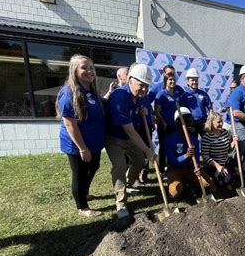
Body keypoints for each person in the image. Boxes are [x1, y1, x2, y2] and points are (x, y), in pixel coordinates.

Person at [105, 64, 157, 220]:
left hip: (129, 138)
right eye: (141, 85)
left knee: (140, 162)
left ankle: (126, 185)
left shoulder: (141, 96)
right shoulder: (119, 96)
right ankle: (121, 204)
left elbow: (141, 115)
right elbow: (130, 130)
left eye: (147, 86)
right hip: (114, 138)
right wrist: (148, 150)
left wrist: (144, 112)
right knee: (120, 166)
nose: (144, 90)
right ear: (130, 80)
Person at [55, 54, 105, 217]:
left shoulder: (91, 91)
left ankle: (85, 192)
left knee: (94, 166)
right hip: (78, 145)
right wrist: (82, 148)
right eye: (84, 67)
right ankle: (82, 207)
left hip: (94, 142)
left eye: (91, 68)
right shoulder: (69, 93)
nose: (89, 71)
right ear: (74, 71)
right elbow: (70, 123)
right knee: (80, 173)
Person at [165, 107, 215, 199]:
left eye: (189, 119)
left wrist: (198, 167)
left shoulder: (193, 139)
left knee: (209, 184)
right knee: (175, 191)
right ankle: (176, 185)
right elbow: (172, 161)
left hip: (189, 169)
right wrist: (186, 156)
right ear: (178, 122)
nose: (189, 122)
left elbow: (196, 158)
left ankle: (190, 186)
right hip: (175, 169)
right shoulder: (170, 139)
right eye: (185, 119)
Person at [201, 111, 238, 189]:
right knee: (226, 180)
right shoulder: (207, 137)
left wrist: (234, 143)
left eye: (221, 121)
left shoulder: (225, 132)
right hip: (213, 166)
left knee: (241, 170)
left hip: (225, 162)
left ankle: (229, 178)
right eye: (218, 122)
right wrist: (218, 166)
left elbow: (229, 150)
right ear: (211, 123)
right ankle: (216, 180)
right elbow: (205, 157)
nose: (221, 123)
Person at [154, 73, 181, 175]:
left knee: (174, 147)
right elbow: (156, 111)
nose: (172, 82)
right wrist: (163, 122)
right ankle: (161, 170)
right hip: (164, 126)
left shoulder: (177, 95)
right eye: (170, 80)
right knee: (163, 148)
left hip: (175, 126)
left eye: (174, 80)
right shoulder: (161, 94)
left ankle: (172, 167)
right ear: (165, 81)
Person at [179, 68, 212, 136]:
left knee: (207, 143)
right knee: (194, 144)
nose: (194, 82)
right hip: (191, 124)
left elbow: (211, 109)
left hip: (204, 123)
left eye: (196, 80)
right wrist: (188, 125)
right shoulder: (184, 96)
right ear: (188, 82)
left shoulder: (203, 94)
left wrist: (209, 122)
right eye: (192, 80)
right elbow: (182, 113)